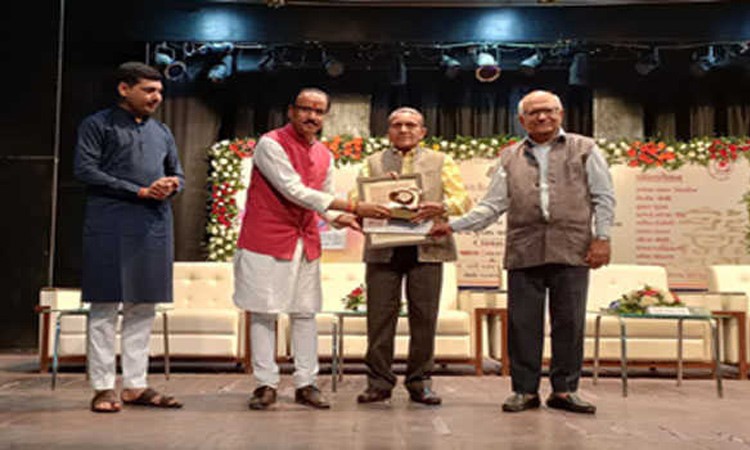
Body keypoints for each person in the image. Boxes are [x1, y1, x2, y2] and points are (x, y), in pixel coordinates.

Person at [430, 90, 615, 414]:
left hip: (572, 248)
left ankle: (565, 390)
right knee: (522, 324)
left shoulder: (585, 148)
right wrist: (453, 226)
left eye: (548, 110)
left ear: (560, 114)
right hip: (524, 249)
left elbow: (603, 196)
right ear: (521, 120)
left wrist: (602, 238)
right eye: (533, 113)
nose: (542, 117)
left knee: (570, 323)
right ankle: (524, 390)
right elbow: (492, 205)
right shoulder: (509, 157)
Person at [234, 88, 390, 410]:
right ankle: (265, 384)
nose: (312, 117)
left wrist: (340, 217)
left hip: (305, 240)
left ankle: (306, 383)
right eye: (306, 109)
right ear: (291, 111)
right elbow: (293, 190)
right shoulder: (271, 143)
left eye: (319, 112)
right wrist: (355, 206)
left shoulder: (323, 153)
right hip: (266, 239)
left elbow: (323, 197)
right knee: (264, 311)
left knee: (305, 312)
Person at [74, 62, 184, 413]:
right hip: (109, 223)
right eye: (149, 90)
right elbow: (85, 170)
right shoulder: (98, 125)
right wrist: (137, 190)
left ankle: (136, 385)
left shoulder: (161, 131)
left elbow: (178, 173)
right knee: (105, 306)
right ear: (124, 89)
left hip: (153, 226)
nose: (156, 97)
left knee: (144, 307)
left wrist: (172, 185)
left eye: (160, 91)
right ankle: (103, 387)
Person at [355, 107, 471, 406]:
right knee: (379, 318)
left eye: (411, 125)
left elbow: (462, 200)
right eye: (397, 125)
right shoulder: (372, 162)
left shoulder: (441, 161)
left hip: (428, 247)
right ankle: (379, 383)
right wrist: (379, 192)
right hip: (383, 248)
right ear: (388, 131)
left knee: (424, 319)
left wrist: (441, 206)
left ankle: (420, 382)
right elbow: (356, 200)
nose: (404, 129)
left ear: (422, 131)